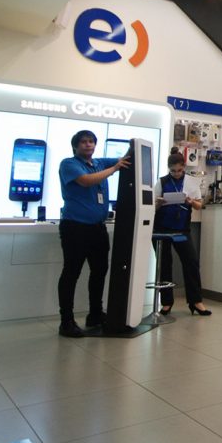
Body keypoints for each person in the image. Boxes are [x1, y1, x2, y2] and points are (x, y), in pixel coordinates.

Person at [57, 130, 129, 337]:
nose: (88, 145)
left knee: (99, 271)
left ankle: (95, 314)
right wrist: (114, 168)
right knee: (72, 273)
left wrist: (134, 149)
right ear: (75, 146)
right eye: (84, 142)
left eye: (91, 142)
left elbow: (124, 159)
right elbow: (86, 181)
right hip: (75, 228)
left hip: (97, 228)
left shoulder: (98, 162)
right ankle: (66, 321)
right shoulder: (69, 164)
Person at [152, 148, 210, 316]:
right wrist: (159, 203)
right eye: (173, 171)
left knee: (191, 262)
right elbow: (152, 206)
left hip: (182, 229)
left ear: (184, 167)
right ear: (168, 168)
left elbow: (199, 205)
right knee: (164, 265)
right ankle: (166, 303)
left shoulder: (192, 182)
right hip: (162, 229)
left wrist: (189, 200)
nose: (176, 174)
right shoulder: (161, 182)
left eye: (179, 170)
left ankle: (196, 301)